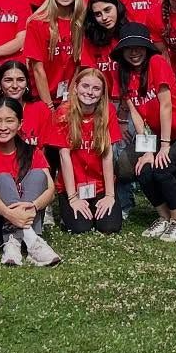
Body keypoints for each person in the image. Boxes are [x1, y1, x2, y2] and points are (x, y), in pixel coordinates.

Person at [114, 24, 176, 243]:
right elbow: (136, 115)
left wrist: (164, 146)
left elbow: (166, 105)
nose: (135, 52)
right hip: (166, 135)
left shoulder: (156, 63)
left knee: (162, 167)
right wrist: (147, 150)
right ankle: (164, 218)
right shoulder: (124, 74)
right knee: (145, 169)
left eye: (139, 47)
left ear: (147, 48)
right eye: (129, 48)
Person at [0, 95, 61, 265]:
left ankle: (15, 242)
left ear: (20, 124)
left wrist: (34, 206)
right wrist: (10, 215)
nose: (3, 127)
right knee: (2, 178)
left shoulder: (32, 152)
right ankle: (30, 238)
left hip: (24, 218)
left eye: (9, 121)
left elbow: (51, 191)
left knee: (38, 175)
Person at [51, 69, 124, 234]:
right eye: (85, 86)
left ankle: (101, 204)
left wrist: (110, 195)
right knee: (80, 227)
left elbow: (107, 155)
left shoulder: (108, 111)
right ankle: (68, 208)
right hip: (73, 186)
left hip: (99, 186)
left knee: (109, 227)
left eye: (96, 88)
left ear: (102, 93)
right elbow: (64, 157)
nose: (90, 92)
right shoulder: (63, 112)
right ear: (75, 87)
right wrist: (73, 198)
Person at [23, 0, 85, 109]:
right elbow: (38, 69)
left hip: (70, 99)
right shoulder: (37, 23)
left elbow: (79, 66)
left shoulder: (82, 22)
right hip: (41, 99)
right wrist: (49, 107)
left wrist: (68, 101)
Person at [0, 60, 51, 148]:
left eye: (20, 80)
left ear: (27, 83)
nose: (15, 85)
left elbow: (45, 151)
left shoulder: (40, 109)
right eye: (8, 80)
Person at [80, 0, 128, 95]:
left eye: (107, 10)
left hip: (129, 98)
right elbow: (90, 74)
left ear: (117, 7)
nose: (104, 17)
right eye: (98, 14)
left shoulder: (130, 34)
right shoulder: (90, 40)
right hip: (101, 98)